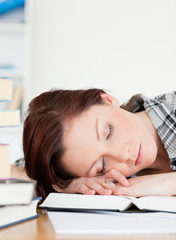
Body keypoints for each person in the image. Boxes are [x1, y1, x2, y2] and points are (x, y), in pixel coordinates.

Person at [20, 88, 176, 200]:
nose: (122, 155)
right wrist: (62, 185)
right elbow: (9, 174)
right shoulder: (109, 180)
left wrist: (169, 183)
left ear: (107, 100)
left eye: (109, 132)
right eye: (101, 166)